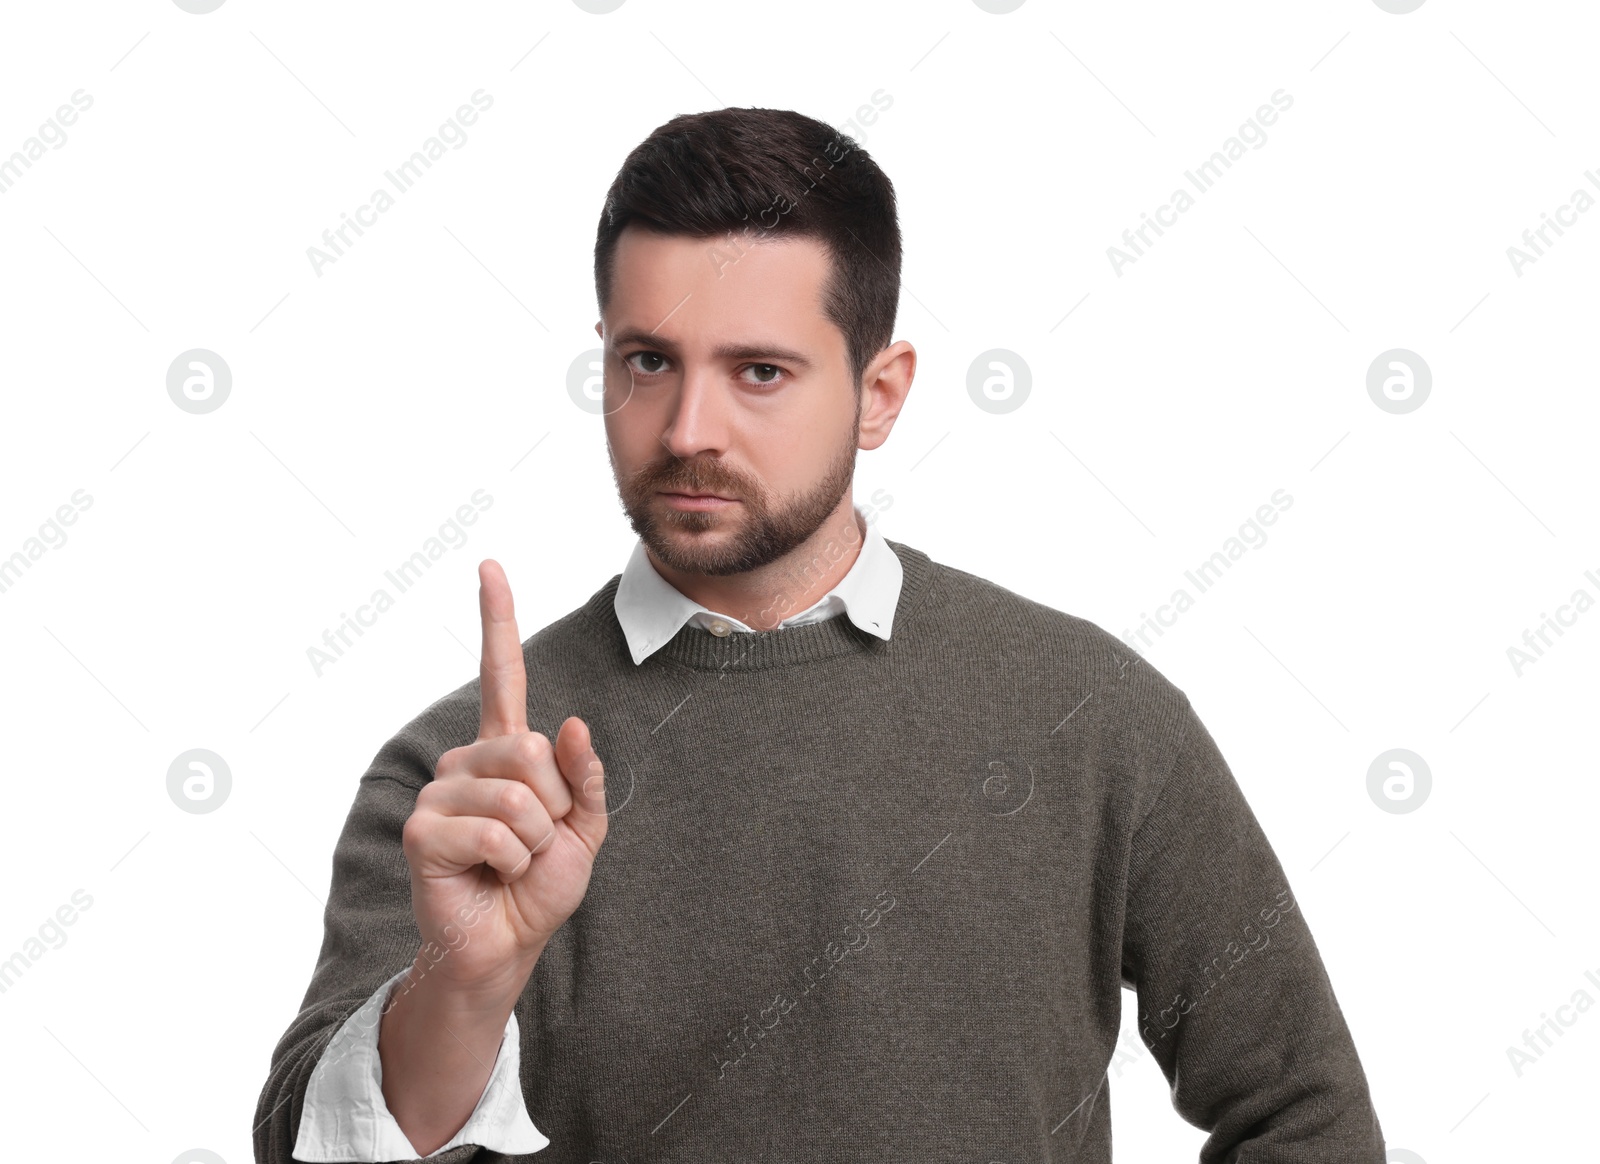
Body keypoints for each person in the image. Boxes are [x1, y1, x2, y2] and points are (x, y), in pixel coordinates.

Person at [255, 106, 1386, 1162]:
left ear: (880, 392)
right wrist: (463, 985)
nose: (689, 429)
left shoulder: (1088, 713)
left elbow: (1301, 1114)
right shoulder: (467, 783)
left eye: (759, 372)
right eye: (648, 362)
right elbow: (310, 1144)